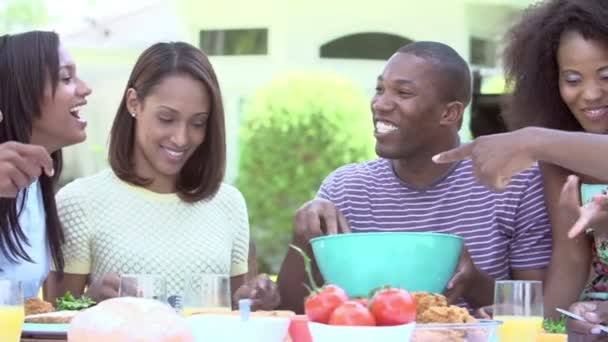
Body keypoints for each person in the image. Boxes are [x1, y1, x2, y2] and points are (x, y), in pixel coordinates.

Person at [277, 41, 552, 314]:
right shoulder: (345, 189)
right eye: (379, 89)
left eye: (403, 93)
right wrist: (302, 236)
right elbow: (293, 311)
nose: (380, 104)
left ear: (449, 113)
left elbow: (538, 313)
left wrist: (474, 282)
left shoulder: (514, 184)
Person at [44, 42, 279, 311]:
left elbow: (239, 315)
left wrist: (258, 300)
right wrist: (91, 301)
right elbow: (53, 320)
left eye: (198, 123)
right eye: (166, 118)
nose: (181, 138)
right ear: (134, 103)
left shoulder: (229, 203)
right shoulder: (80, 202)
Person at [433, 0, 608, 335]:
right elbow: (570, 261)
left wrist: (532, 140)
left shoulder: (547, 144)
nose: (590, 93)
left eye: (606, 75)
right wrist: (547, 329)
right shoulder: (559, 156)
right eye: (572, 79)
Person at [0, 31, 92, 299]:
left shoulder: (34, 186)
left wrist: (88, 302)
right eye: (66, 78)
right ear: (21, 91)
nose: (85, 88)